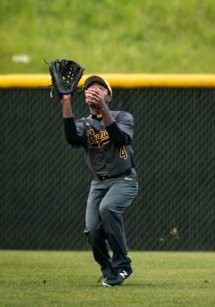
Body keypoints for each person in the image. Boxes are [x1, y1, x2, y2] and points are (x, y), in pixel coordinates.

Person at [61, 75, 138, 287]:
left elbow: (121, 139)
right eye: (89, 88)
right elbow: (71, 138)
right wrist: (66, 100)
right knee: (92, 229)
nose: (94, 90)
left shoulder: (123, 116)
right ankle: (109, 270)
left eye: (99, 88)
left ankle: (123, 264)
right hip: (98, 183)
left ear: (109, 96)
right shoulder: (83, 124)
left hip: (124, 179)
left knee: (108, 208)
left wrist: (103, 109)